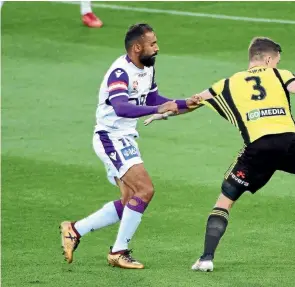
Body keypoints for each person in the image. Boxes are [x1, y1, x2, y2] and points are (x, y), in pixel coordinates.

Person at [145, 36, 295, 272]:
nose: (276, 65)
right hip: (289, 145)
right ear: (268, 59)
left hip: (256, 152)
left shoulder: (227, 84)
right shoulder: (279, 75)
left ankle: (206, 258)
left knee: (224, 201)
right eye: (276, 61)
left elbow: (190, 102)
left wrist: (161, 112)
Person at [60, 23, 200, 269]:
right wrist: (158, 109)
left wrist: (184, 103)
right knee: (145, 190)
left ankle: (75, 230)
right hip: (110, 137)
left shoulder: (146, 69)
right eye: (152, 44)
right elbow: (121, 107)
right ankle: (118, 251)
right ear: (137, 47)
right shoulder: (120, 72)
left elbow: (154, 99)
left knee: (129, 200)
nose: (157, 48)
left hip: (125, 137)